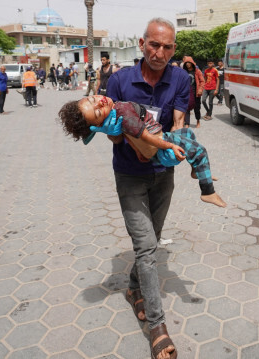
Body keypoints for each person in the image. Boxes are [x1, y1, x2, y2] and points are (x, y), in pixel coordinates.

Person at [98, 17, 189, 359]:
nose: (160, 52)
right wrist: (134, 134)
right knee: (148, 247)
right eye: (154, 45)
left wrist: (180, 146)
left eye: (167, 47)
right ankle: (158, 327)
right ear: (141, 43)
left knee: (153, 235)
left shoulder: (180, 77)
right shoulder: (120, 80)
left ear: (173, 49)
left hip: (163, 173)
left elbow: (179, 121)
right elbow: (111, 133)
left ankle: (134, 289)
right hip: (129, 173)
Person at [59, 95, 225, 207]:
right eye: (97, 111)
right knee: (200, 151)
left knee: (188, 133)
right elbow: (144, 137)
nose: (99, 102)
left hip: (164, 136)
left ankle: (196, 170)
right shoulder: (123, 113)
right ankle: (207, 191)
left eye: (92, 98)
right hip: (162, 143)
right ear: (100, 123)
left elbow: (131, 139)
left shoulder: (117, 110)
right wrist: (169, 146)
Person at [181, 56, 205, 128]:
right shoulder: (184, 71)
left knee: (197, 108)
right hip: (187, 92)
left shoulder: (197, 71)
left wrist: (200, 89)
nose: (188, 64)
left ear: (192, 63)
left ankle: (198, 121)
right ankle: (187, 123)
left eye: (189, 62)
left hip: (196, 92)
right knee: (187, 107)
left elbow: (202, 81)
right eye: (186, 63)